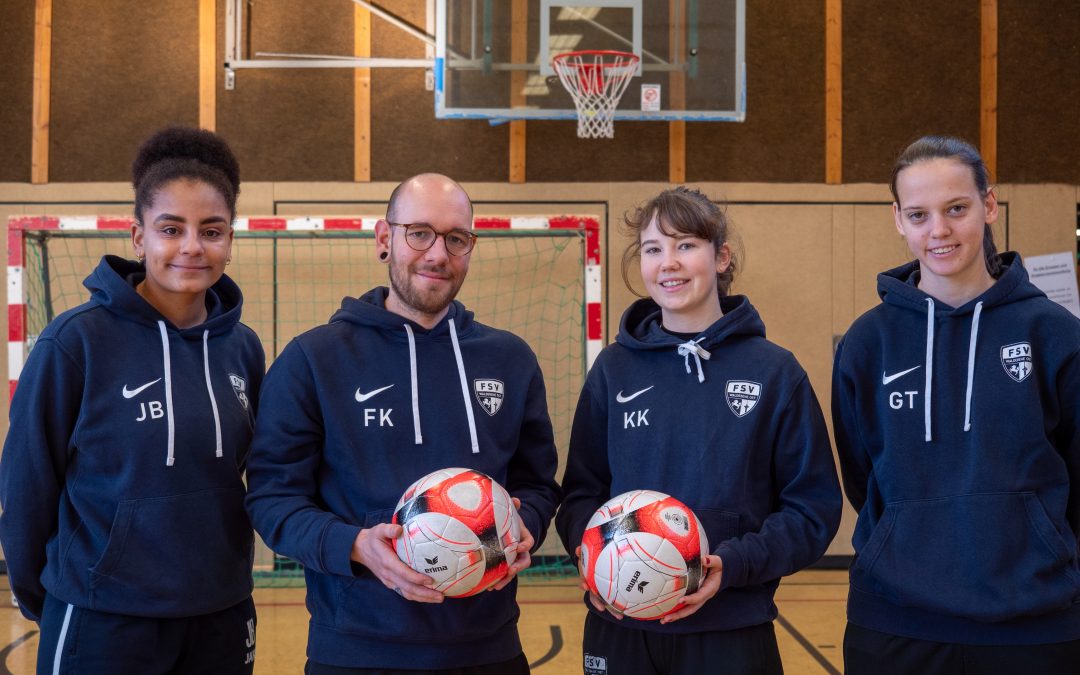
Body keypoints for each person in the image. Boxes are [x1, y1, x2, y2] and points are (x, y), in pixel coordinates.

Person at [244, 173, 562, 674]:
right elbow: (271, 499)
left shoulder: (510, 359)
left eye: (456, 238)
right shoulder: (315, 359)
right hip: (354, 651)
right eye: (419, 233)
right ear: (383, 239)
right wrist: (353, 544)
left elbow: (538, 485)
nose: (438, 254)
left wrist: (527, 525)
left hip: (489, 649)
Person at [0, 127, 264, 673]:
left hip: (222, 611)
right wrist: (45, 598)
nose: (193, 246)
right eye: (172, 228)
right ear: (139, 238)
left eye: (211, 230)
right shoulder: (74, 343)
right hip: (102, 615)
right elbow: (27, 486)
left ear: (230, 239)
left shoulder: (243, 348)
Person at [555, 186, 842, 675]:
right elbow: (582, 492)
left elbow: (812, 510)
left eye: (685, 244)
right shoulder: (613, 370)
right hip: (622, 626)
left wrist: (735, 563)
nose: (668, 262)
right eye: (653, 249)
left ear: (721, 256)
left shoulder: (775, 373)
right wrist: (593, 556)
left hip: (731, 628)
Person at [832, 135, 1080, 674]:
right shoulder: (867, 343)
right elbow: (863, 473)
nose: (938, 231)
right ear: (898, 219)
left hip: (1035, 627)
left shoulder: (1054, 334)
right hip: (895, 624)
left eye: (956, 209)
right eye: (919, 214)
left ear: (989, 206)